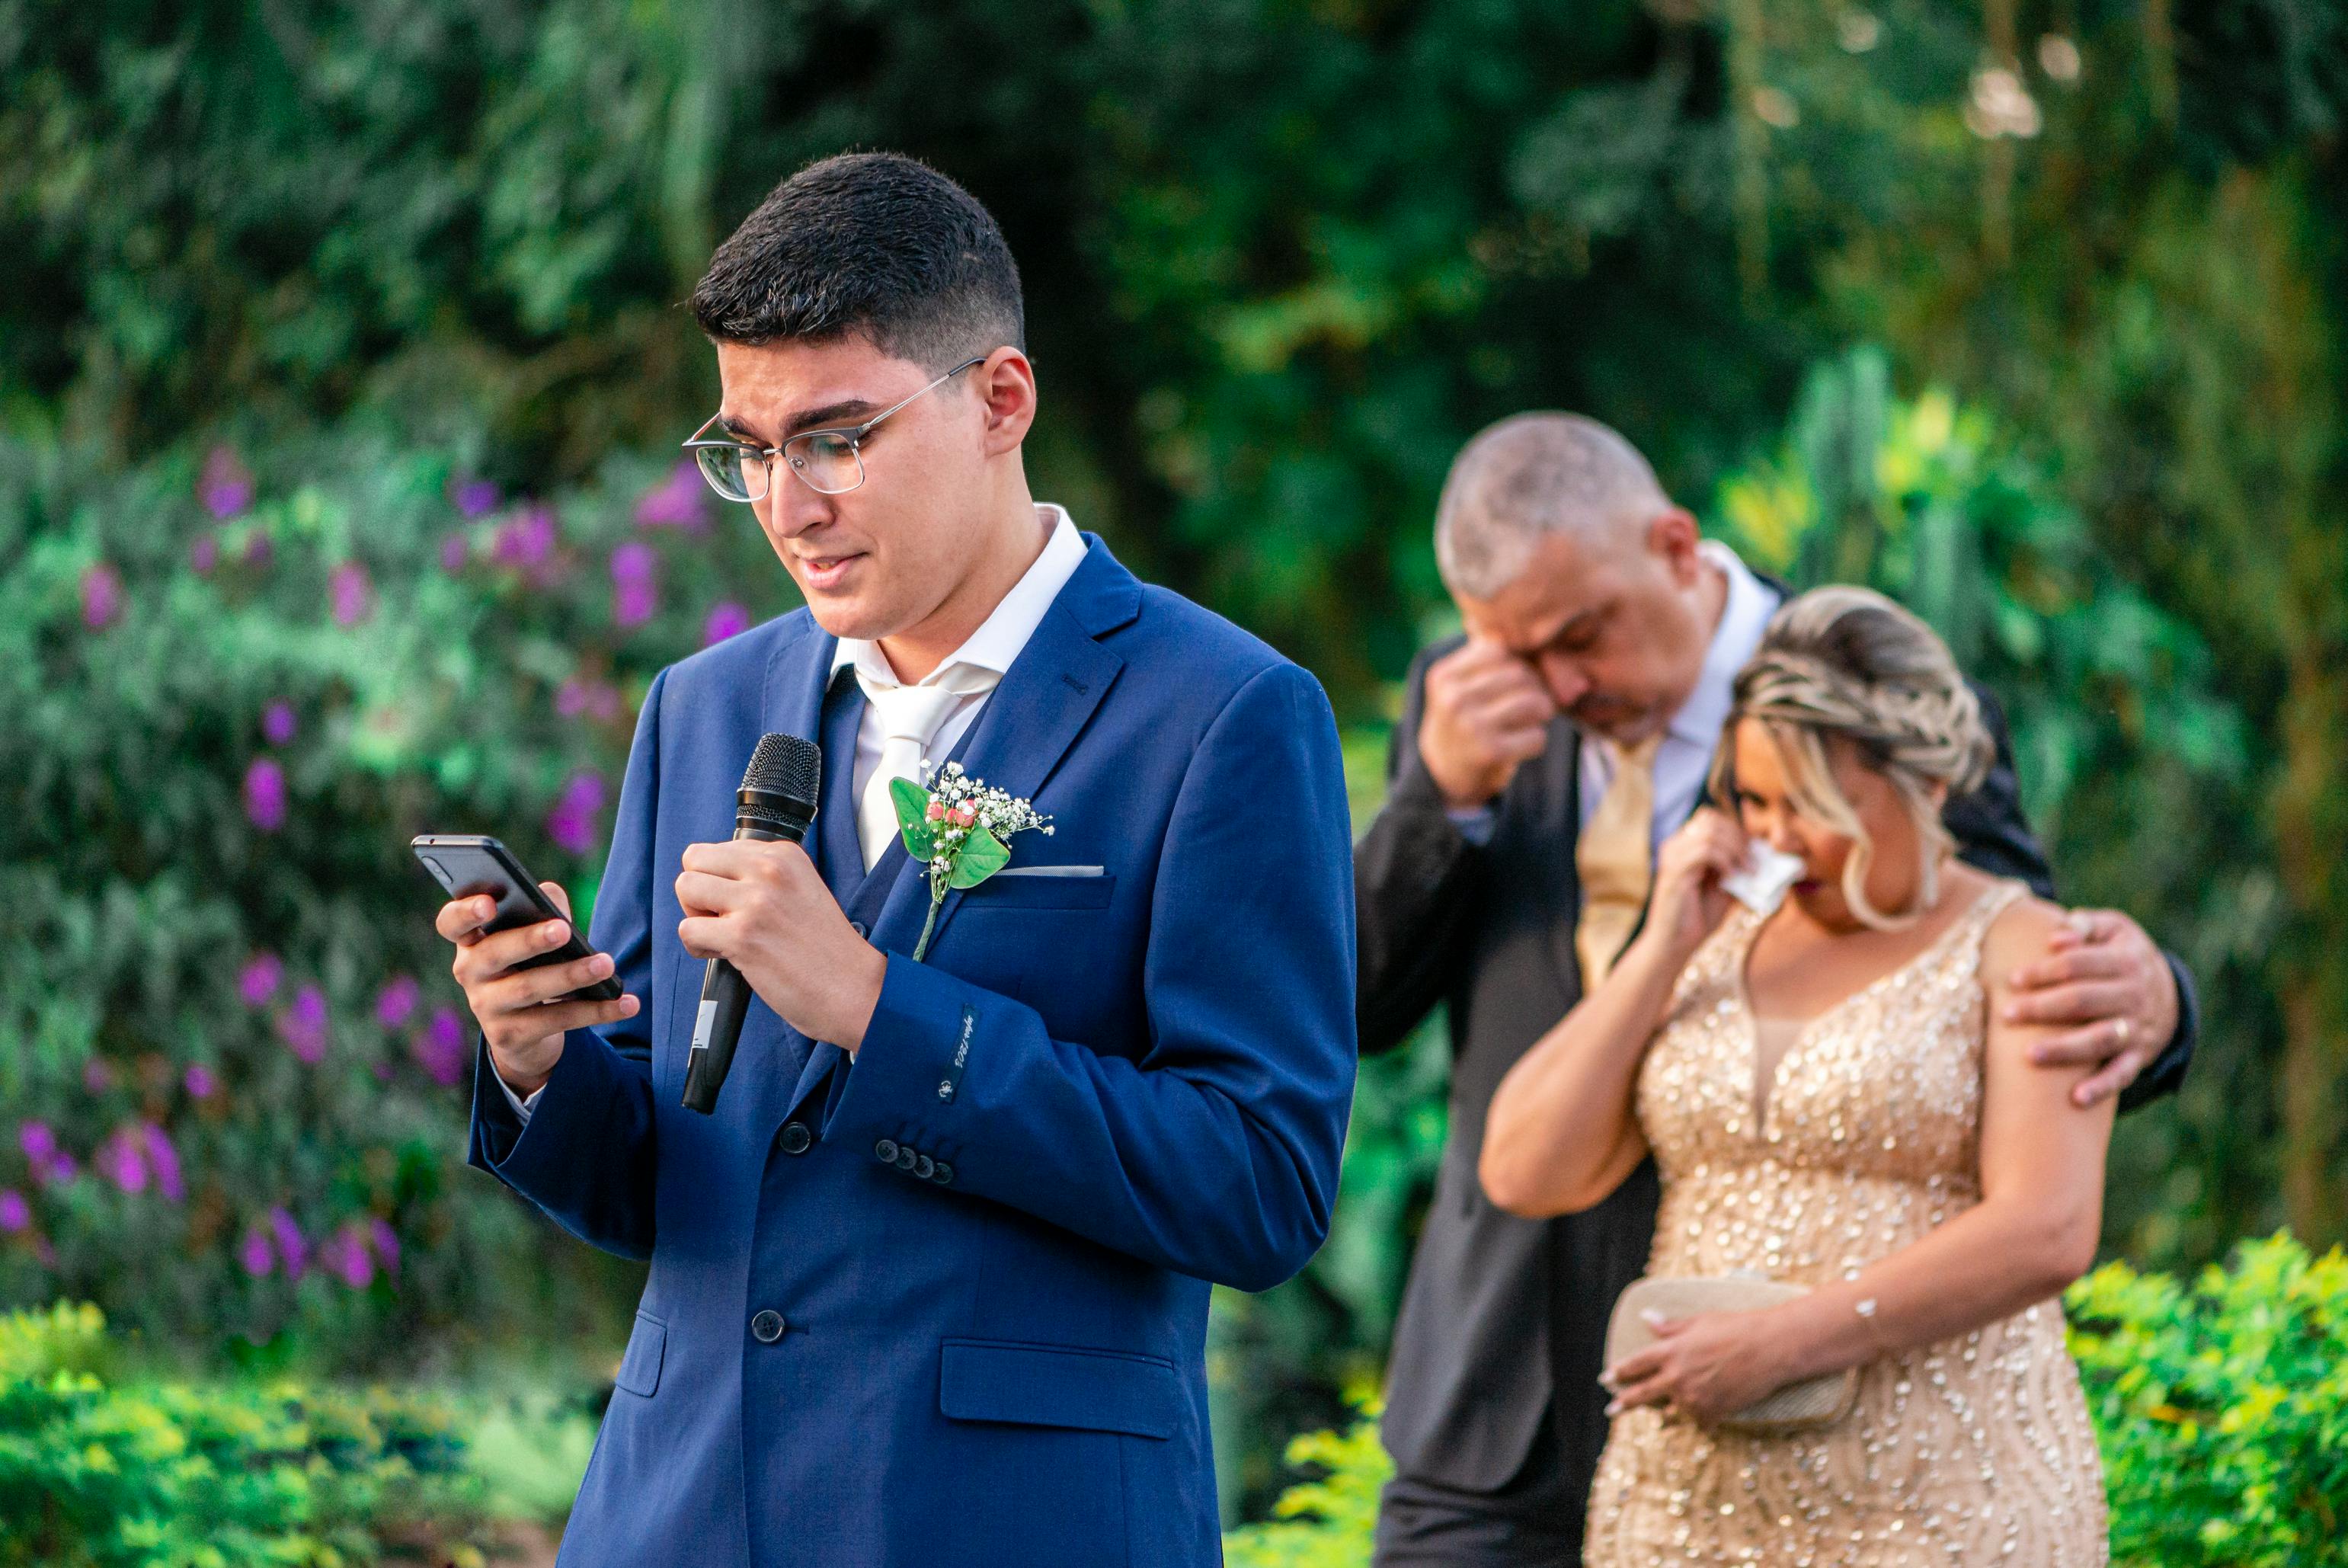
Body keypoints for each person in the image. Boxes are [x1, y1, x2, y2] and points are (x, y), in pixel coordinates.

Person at [430, 152, 1357, 1568]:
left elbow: (1258, 1181)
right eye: (747, 448)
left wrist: (877, 1006)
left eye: (836, 437)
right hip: (680, 1511)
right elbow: (652, 1175)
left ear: (1000, 400)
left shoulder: (1223, 713)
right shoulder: (707, 705)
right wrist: (539, 1061)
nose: (786, 503)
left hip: (1005, 1520)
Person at [1352, 413, 2196, 1565]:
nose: (1558, 685)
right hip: (1497, 1384)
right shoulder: (1467, 714)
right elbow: (1348, 1001)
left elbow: (2007, 978)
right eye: (1517, 653)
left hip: (1835, 1401)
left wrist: (2159, 1002)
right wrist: (1433, 802)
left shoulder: (1885, 709)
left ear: (1674, 544)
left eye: (1581, 635)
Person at [1479, 585, 2111, 1564]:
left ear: (1927, 785)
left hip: (1943, 1500)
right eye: (1752, 799)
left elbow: (2048, 1229)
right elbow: (1523, 1170)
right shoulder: (1714, 940)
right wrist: (1659, 947)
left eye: (1812, 807)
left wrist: (1787, 1342)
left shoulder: (2026, 947)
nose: (1774, 837)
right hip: (1678, 1512)